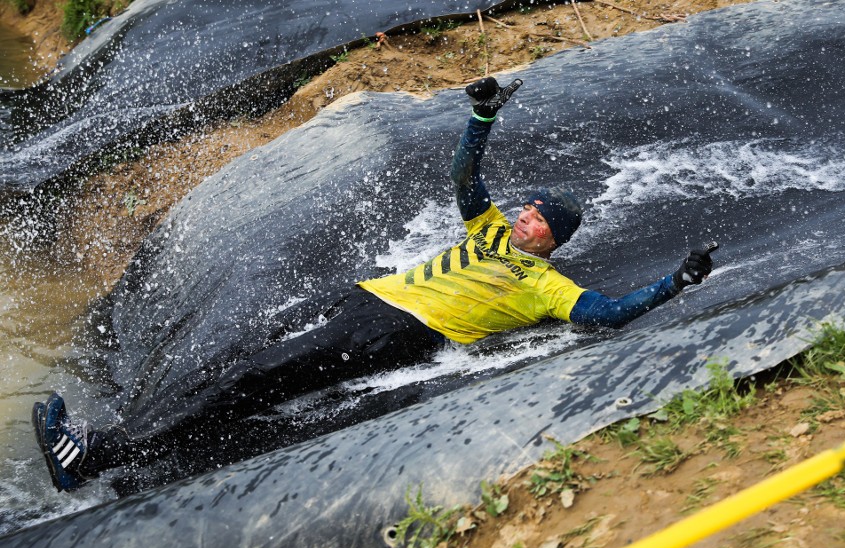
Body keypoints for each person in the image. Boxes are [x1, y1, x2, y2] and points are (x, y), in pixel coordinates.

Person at [33, 78, 715, 491]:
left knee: (251, 383)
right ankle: (121, 442)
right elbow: (464, 180)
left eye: (539, 216)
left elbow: (606, 315)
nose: (525, 214)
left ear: (553, 239)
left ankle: (93, 456)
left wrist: (672, 286)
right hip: (365, 299)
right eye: (528, 206)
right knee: (233, 363)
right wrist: (481, 118)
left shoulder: (544, 284)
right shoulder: (490, 234)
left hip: (395, 331)